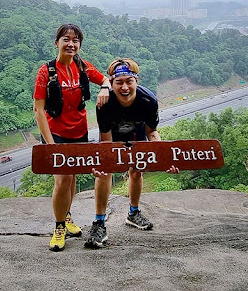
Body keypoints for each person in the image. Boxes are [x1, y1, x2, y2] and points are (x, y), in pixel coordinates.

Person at [33, 24, 111, 252]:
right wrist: (51, 146)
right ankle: (59, 227)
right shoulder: (46, 71)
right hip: (56, 135)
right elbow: (39, 111)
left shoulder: (83, 67)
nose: (71, 44)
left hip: (80, 133)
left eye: (76, 40)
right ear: (56, 43)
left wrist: (105, 88)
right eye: (66, 39)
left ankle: (66, 216)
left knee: (72, 178)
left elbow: (105, 79)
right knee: (62, 180)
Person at [86, 58, 178, 249]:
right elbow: (106, 140)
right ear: (111, 83)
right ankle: (99, 222)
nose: (125, 87)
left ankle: (133, 213)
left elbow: (152, 132)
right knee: (105, 172)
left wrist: (163, 158)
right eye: (119, 82)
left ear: (137, 80)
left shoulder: (149, 100)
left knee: (137, 171)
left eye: (129, 81)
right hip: (114, 139)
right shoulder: (104, 103)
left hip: (138, 136)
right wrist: (104, 162)